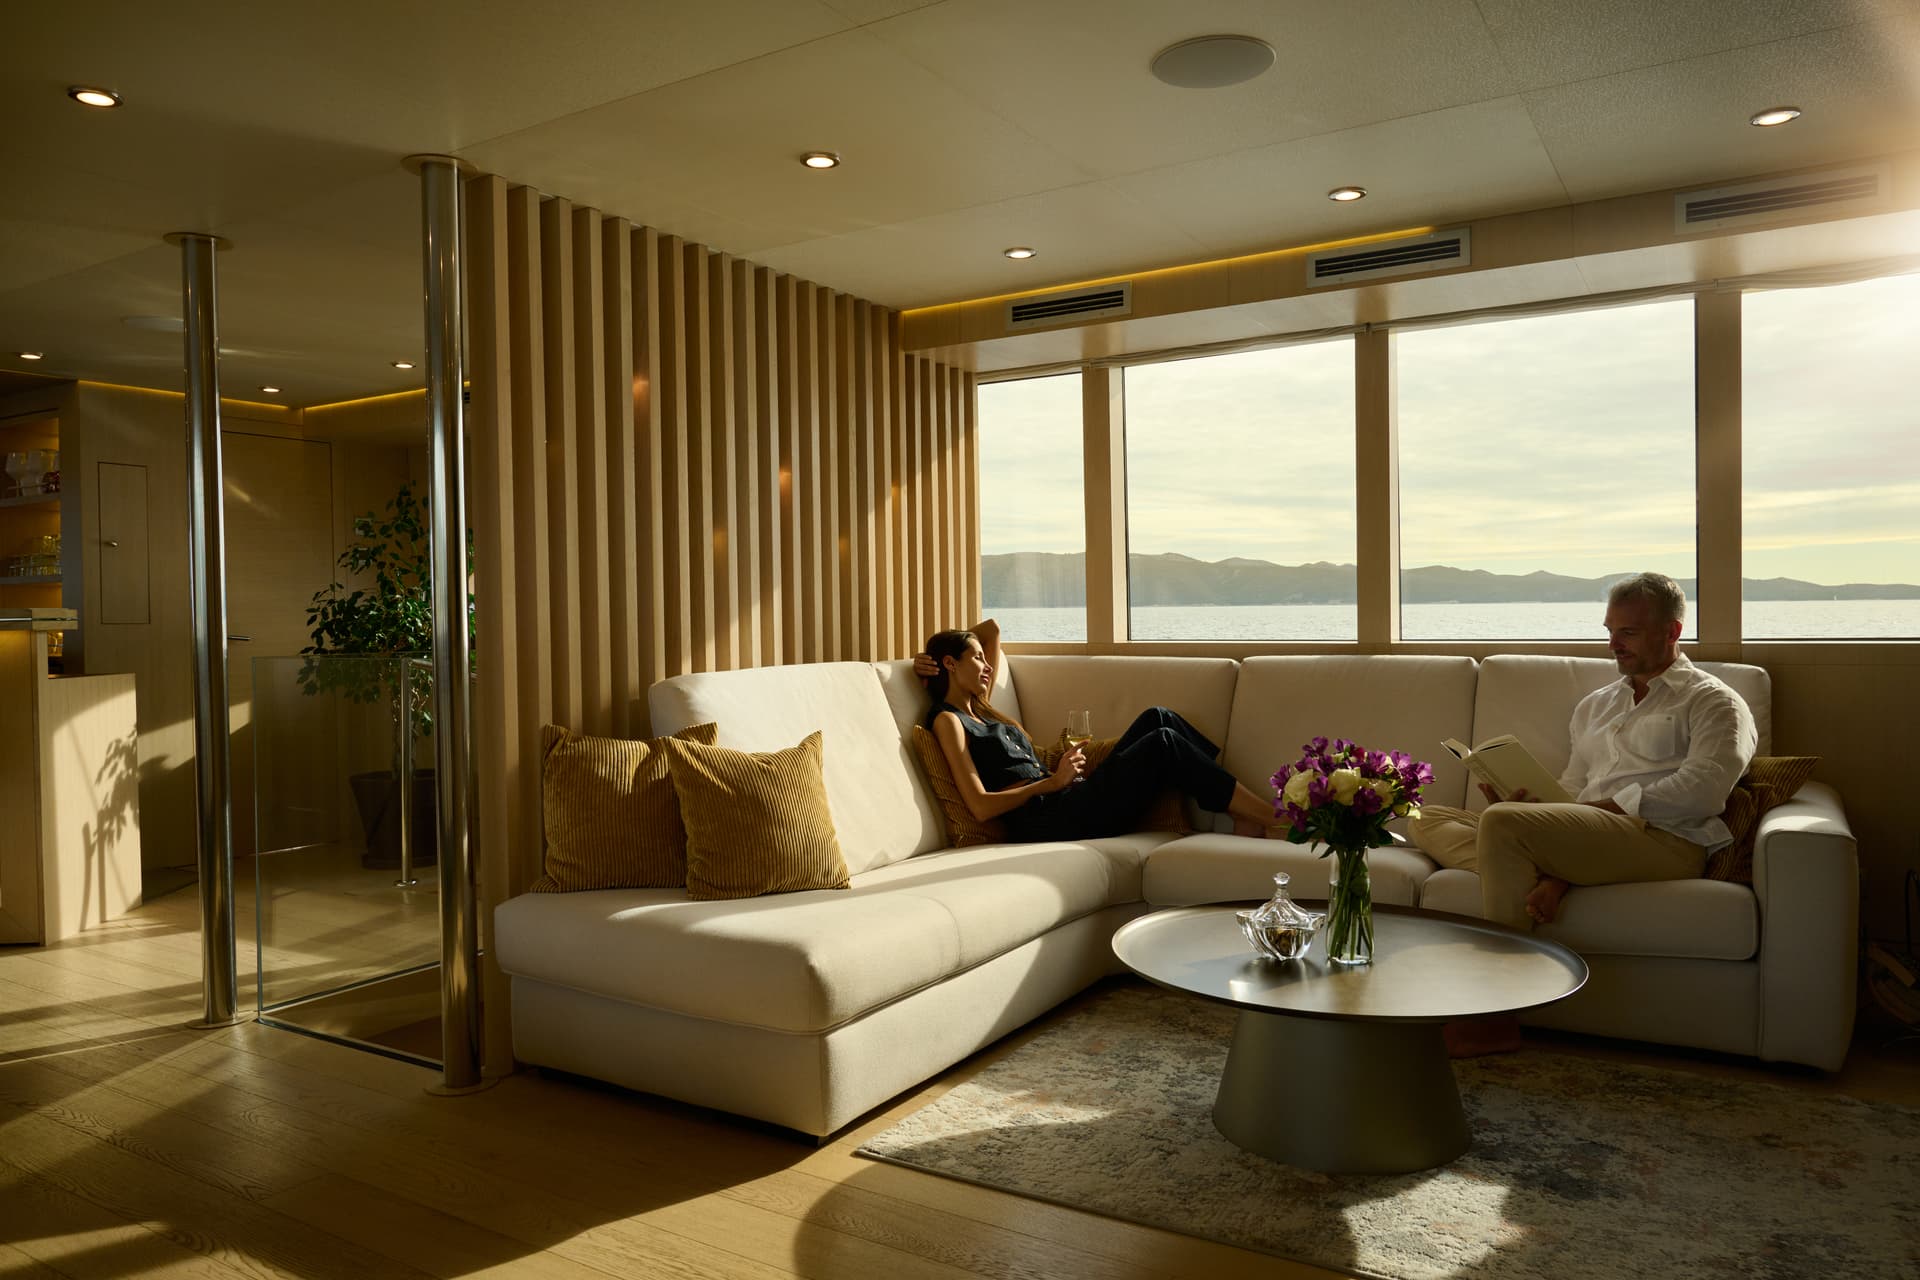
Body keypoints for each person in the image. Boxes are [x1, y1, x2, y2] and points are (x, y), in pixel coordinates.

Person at [1409, 572, 1756, 932]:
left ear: (1672, 632)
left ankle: (1510, 966)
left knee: (1501, 825)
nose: (1613, 644)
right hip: (1587, 832)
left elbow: (1703, 791)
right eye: (1610, 631)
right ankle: (1552, 871)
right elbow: (1575, 784)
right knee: (1427, 819)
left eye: (1628, 633)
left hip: (1665, 840)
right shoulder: (1596, 705)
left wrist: (1597, 811)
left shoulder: (1715, 701)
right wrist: (1536, 807)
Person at [913, 619, 1279, 842]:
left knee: (1159, 717)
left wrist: (939, 654)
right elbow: (978, 806)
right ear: (950, 664)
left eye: (982, 657)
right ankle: (1276, 820)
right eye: (976, 659)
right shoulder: (949, 721)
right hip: (1044, 820)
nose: (987, 666)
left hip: (1067, 800)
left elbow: (989, 630)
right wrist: (1052, 783)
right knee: (1163, 743)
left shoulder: (984, 711)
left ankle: (1240, 813)